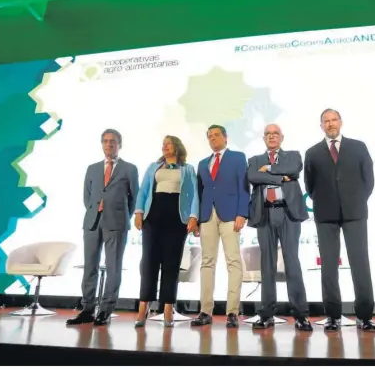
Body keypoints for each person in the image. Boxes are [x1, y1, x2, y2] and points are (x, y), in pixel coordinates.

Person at [303, 109, 375, 331]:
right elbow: (310, 186)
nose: (331, 124)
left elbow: (369, 179)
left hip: (355, 212)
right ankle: (333, 315)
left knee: (360, 263)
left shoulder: (358, 147)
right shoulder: (313, 152)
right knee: (328, 266)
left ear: (341, 122)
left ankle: (364, 316)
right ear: (321, 125)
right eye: (326, 121)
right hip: (326, 215)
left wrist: (355, 199)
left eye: (334, 120)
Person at [67, 129, 139, 326]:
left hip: (116, 222)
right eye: (106, 141)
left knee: (113, 267)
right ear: (102, 144)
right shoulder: (92, 168)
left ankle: (106, 310)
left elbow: (134, 198)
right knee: (90, 266)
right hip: (92, 222)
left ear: (119, 145)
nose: (109, 145)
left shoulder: (130, 169)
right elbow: (87, 196)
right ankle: (87, 309)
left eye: (113, 141)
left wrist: (121, 214)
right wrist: (95, 210)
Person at [247, 124, 312, 331]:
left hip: (288, 213)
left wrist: (269, 170)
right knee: (267, 264)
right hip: (264, 213)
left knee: (292, 262)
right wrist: (280, 177)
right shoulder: (254, 161)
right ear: (263, 138)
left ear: (282, 137)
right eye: (268, 134)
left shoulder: (293, 156)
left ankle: (300, 315)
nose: (272, 136)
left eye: (275, 134)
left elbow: (293, 170)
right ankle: (267, 314)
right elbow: (253, 177)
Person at [133, 135, 199, 328]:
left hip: (177, 219)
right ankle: (143, 307)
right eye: (163, 144)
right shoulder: (154, 167)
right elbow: (143, 191)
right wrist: (139, 213)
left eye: (168, 143)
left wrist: (193, 217)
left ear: (177, 147)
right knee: (149, 263)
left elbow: (194, 194)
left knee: (171, 264)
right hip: (153, 216)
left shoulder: (187, 169)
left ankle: (168, 308)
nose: (164, 146)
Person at [190, 124, 250, 329]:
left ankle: (232, 312)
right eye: (210, 136)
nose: (213, 138)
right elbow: (199, 192)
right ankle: (205, 311)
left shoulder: (238, 157)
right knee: (207, 262)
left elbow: (244, 186)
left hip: (231, 214)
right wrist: (196, 218)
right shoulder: (202, 163)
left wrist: (242, 213)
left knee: (233, 261)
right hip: (207, 215)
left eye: (216, 135)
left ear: (226, 138)